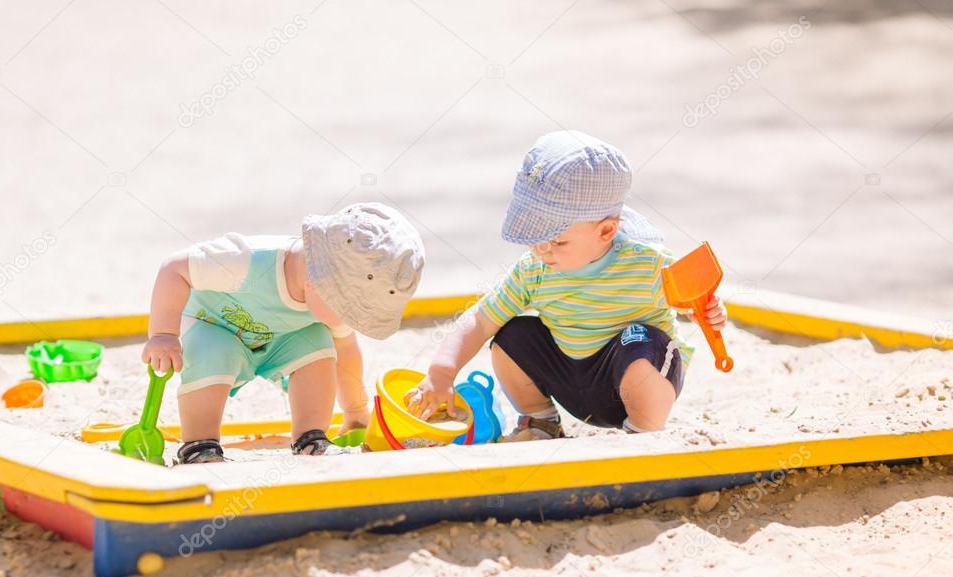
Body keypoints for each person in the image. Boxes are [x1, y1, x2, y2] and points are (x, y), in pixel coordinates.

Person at [406, 130, 726, 440]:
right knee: (511, 335)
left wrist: (708, 312)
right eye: (535, 237)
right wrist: (443, 371)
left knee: (641, 340)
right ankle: (540, 420)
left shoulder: (648, 263)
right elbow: (479, 320)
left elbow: (693, 305)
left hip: (635, 380)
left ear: (606, 231)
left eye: (557, 241)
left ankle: (641, 433)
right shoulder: (533, 270)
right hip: (572, 382)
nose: (542, 250)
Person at [143, 202, 425, 462]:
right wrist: (163, 334)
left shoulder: (326, 301)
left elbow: (346, 352)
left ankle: (310, 437)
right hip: (213, 325)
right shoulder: (245, 261)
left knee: (319, 342)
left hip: (278, 338)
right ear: (318, 284)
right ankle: (200, 444)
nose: (349, 321)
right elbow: (174, 269)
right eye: (349, 312)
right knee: (213, 352)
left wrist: (354, 411)